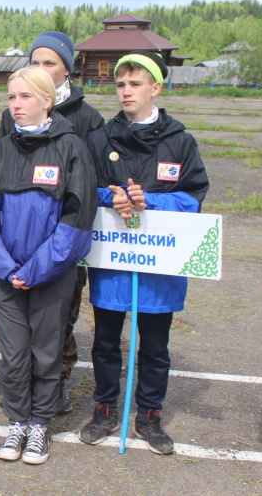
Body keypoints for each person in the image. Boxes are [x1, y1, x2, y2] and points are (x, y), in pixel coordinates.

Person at [79, 52, 209, 455]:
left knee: (154, 345)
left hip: (159, 263)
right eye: (120, 85)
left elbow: (194, 196)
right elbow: (86, 187)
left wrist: (150, 202)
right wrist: (113, 196)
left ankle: (149, 415)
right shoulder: (101, 138)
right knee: (105, 341)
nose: (126, 92)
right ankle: (104, 407)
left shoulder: (180, 141)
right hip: (114, 259)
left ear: (156, 88)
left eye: (135, 84)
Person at [0, 66, 97, 464]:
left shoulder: (71, 149)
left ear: (47, 100)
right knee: (14, 355)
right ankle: (16, 423)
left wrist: (35, 270)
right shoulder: (0, 151)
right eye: (11, 97)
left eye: (25, 96)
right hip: (6, 276)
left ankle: (39, 427)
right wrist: (6, 266)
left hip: (50, 277)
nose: (16, 105)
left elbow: (76, 223)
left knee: (45, 354)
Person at [0, 31, 105, 414]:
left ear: (66, 70)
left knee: (61, 319)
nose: (40, 69)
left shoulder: (86, 120)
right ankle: (23, 390)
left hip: (61, 245)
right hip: (17, 246)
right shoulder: (14, 115)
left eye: (50, 63)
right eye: (35, 61)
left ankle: (56, 382)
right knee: (20, 325)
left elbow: (90, 187)